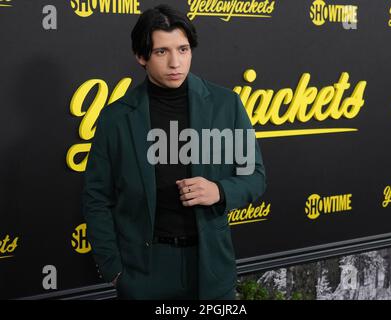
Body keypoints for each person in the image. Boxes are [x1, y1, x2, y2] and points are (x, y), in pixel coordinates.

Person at [82, 4, 266, 300]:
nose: (175, 62)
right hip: (144, 271)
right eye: (161, 52)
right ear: (141, 56)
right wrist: (113, 269)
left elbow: (254, 176)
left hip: (210, 267)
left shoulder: (225, 104)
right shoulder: (115, 118)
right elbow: (96, 198)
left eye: (183, 49)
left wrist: (219, 190)